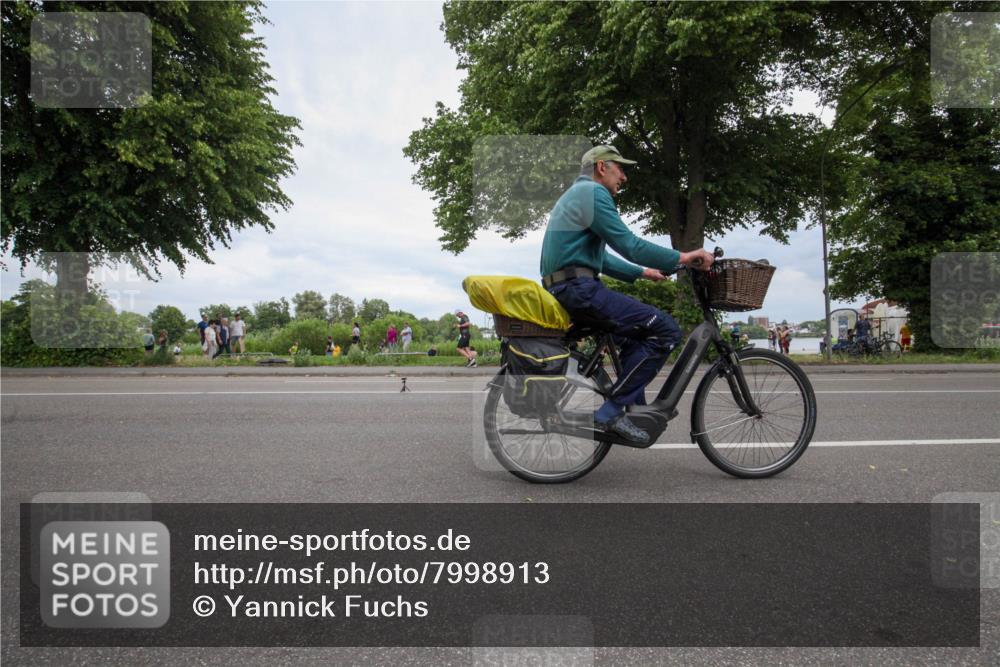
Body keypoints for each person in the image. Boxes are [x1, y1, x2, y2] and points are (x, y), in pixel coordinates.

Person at [540, 144, 714, 443]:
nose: (624, 176)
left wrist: (641, 272)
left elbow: (599, 258)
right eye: (620, 168)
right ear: (601, 167)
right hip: (579, 289)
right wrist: (683, 257)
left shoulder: (576, 196)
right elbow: (630, 244)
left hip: (568, 285)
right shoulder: (594, 194)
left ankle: (635, 409)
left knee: (637, 335)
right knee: (665, 330)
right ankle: (612, 412)